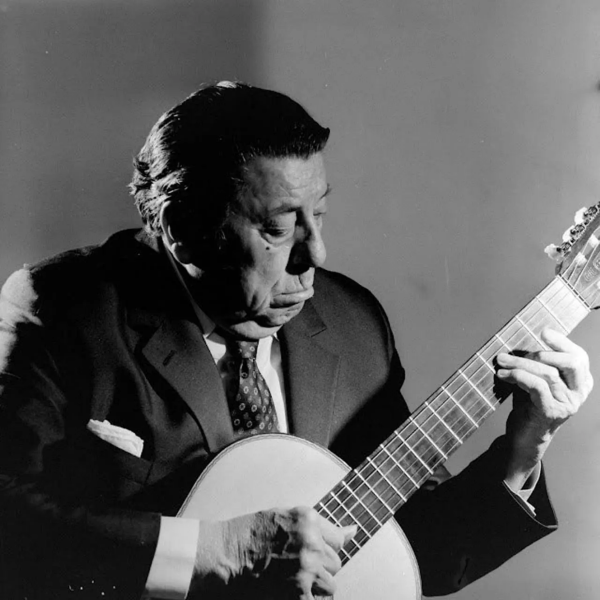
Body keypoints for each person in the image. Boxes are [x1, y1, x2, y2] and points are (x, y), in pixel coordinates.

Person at [0, 81, 592, 600]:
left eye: (320, 215)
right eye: (278, 228)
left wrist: (525, 448)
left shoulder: (352, 324)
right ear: (183, 229)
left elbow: (416, 552)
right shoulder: (60, 309)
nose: (316, 255)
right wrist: (210, 552)